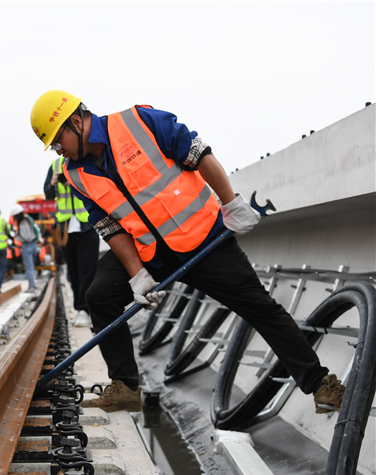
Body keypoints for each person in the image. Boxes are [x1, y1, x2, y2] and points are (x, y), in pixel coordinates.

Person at [29, 90, 346, 415]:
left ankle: (320, 384)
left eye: (57, 141)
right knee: (99, 296)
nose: (58, 150)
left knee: (260, 308)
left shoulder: (140, 121)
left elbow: (199, 154)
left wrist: (231, 203)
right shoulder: (74, 173)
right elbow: (110, 227)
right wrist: (137, 273)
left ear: (77, 121)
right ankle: (125, 386)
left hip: (203, 240)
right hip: (151, 253)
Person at [45, 156, 99, 327]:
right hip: (66, 228)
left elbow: (96, 187)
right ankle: (79, 308)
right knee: (73, 271)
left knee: (88, 270)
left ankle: (86, 310)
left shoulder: (85, 159)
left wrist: (73, 183)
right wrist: (53, 183)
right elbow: (47, 195)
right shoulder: (55, 166)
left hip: (87, 224)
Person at [11, 204, 40, 291]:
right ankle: (32, 285)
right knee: (31, 267)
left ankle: (31, 287)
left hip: (27, 246)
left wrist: (17, 237)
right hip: (33, 245)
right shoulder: (28, 219)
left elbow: (26, 237)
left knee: (29, 268)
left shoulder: (22, 223)